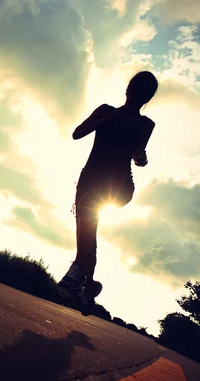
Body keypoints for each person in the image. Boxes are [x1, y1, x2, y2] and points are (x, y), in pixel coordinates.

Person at [58, 71, 159, 315]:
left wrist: (141, 158)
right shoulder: (105, 110)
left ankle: (78, 272)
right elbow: (77, 133)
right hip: (89, 180)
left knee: (89, 215)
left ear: (149, 97)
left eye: (146, 91)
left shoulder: (147, 125)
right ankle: (87, 287)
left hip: (119, 186)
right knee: (86, 231)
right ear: (127, 88)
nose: (139, 93)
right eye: (136, 87)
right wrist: (112, 117)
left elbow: (138, 154)